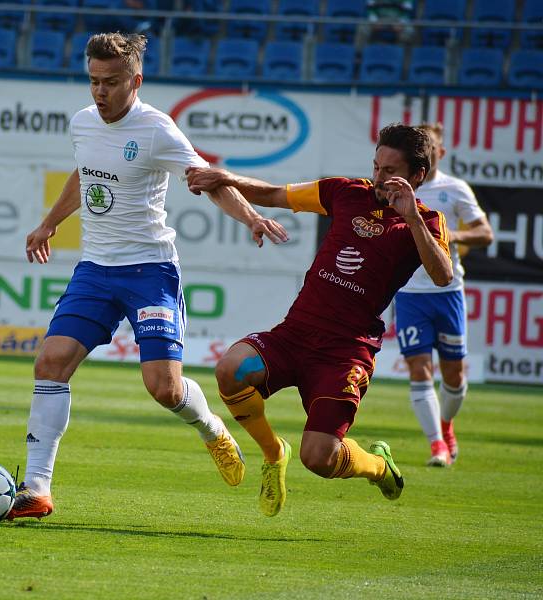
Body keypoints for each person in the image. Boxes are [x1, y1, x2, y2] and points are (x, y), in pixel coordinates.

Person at [9, 32, 288, 520]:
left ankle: (212, 430)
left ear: (135, 80)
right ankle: (36, 489)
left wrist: (251, 218)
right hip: (95, 269)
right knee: (50, 362)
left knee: (165, 388)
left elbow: (209, 181)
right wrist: (51, 221)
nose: (100, 92)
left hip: (150, 270)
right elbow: (84, 173)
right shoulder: (82, 123)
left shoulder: (158, 129)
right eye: (94, 81)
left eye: (111, 82)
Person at [185, 123, 453, 517]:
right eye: (376, 167)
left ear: (417, 176)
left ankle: (379, 466)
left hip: (345, 352)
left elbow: (443, 274)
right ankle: (274, 453)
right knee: (230, 369)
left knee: (319, 458)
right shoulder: (346, 191)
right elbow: (275, 194)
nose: (378, 178)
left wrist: (411, 217)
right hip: (295, 333)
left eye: (390, 172)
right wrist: (225, 177)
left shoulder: (427, 222)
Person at [395, 122, 494, 467]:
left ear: (440, 152)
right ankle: (436, 444)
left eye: (432, 148)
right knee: (419, 369)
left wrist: (451, 235)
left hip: (447, 292)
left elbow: (485, 233)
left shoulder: (455, 189)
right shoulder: (398, 188)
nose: (428, 153)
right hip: (409, 292)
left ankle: (446, 426)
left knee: (454, 375)